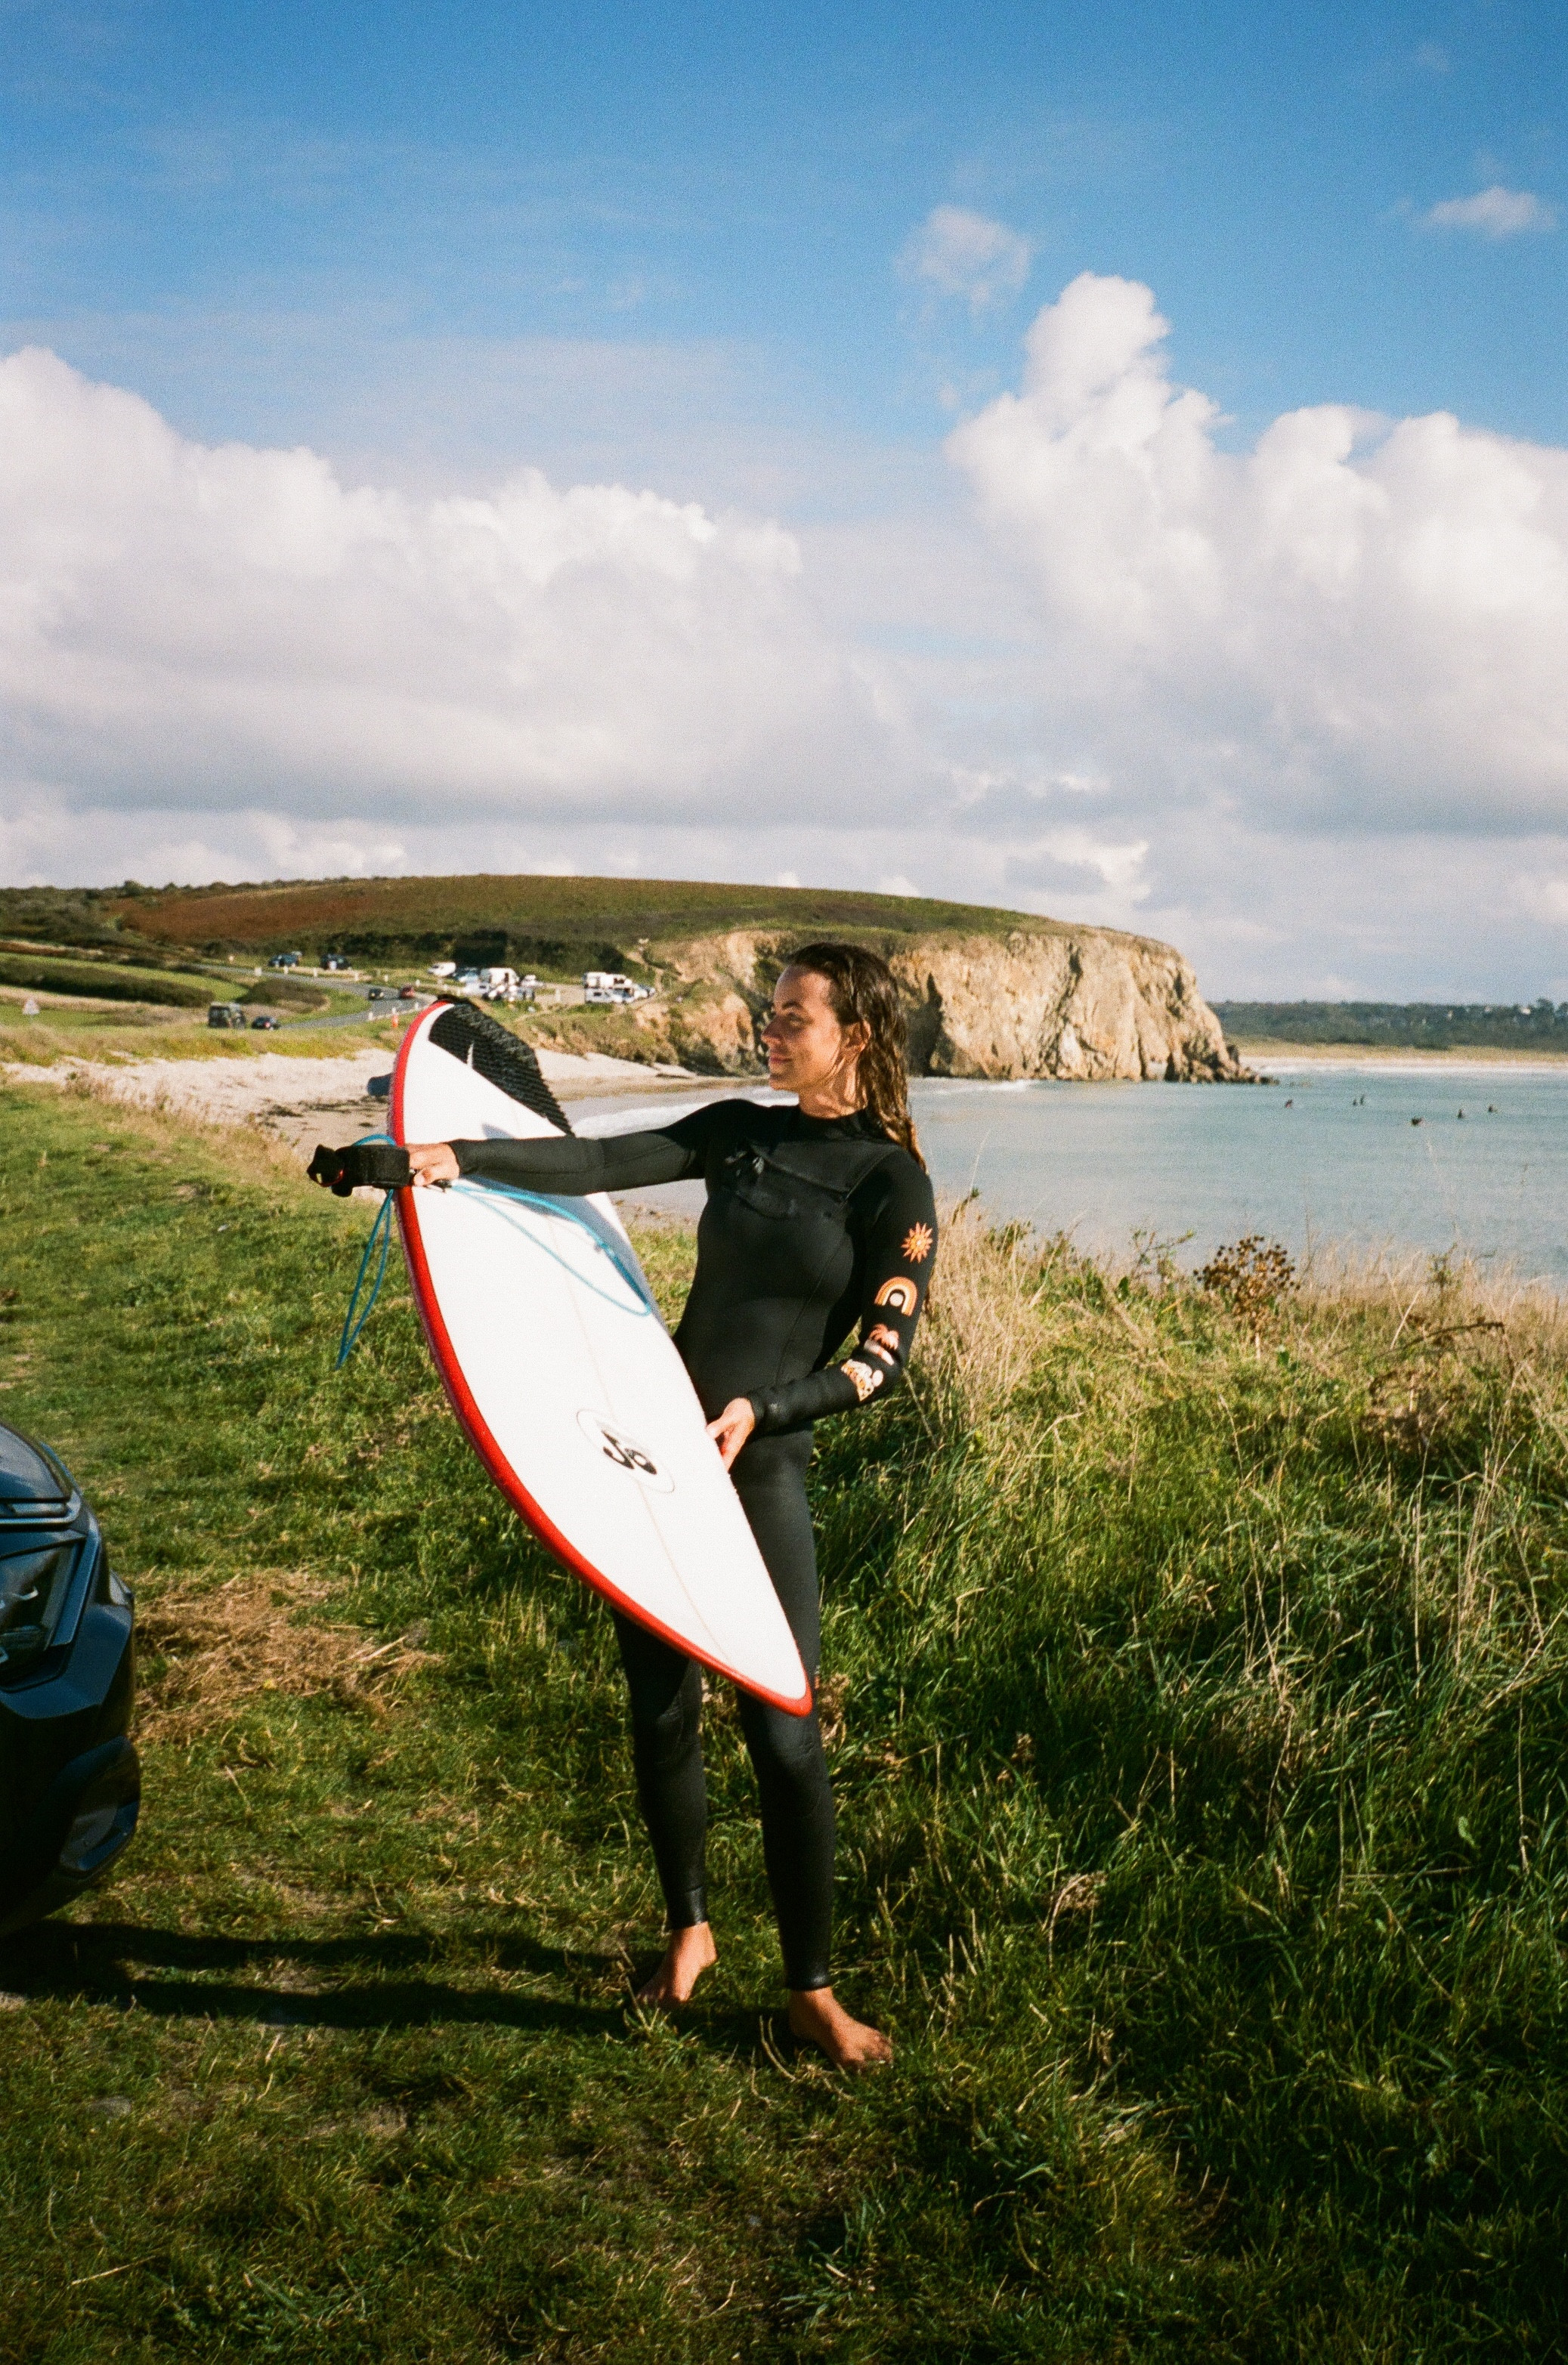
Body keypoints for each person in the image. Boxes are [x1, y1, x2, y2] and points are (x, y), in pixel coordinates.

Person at [323, 943, 938, 2069]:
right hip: (656, 1450)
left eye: (792, 1016)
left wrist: (766, 1407)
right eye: (769, 1010)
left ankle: (812, 1992)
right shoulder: (739, 1131)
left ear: (853, 1036)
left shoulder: (891, 1184)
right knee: (659, 1708)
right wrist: (440, 1160)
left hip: (759, 1466)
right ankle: (689, 1929)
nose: (768, 1028)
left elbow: (879, 1361)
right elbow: (595, 1160)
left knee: (784, 1729)